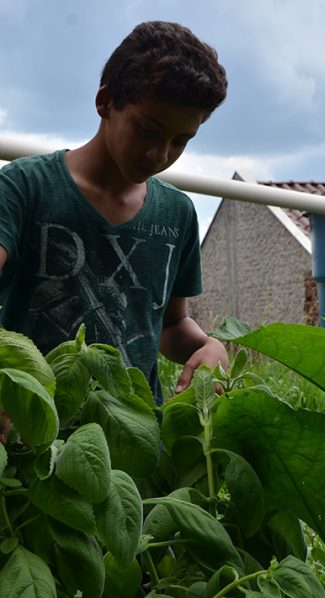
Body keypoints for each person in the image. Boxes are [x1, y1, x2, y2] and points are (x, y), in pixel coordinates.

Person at [0, 21, 229, 417]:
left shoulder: (177, 213)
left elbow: (171, 326)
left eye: (180, 141)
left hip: (134, 438)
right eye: (147, 130)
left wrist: (210, 346)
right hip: (27, 429)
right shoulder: (25, 187)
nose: (160, 155)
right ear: (106, 102)